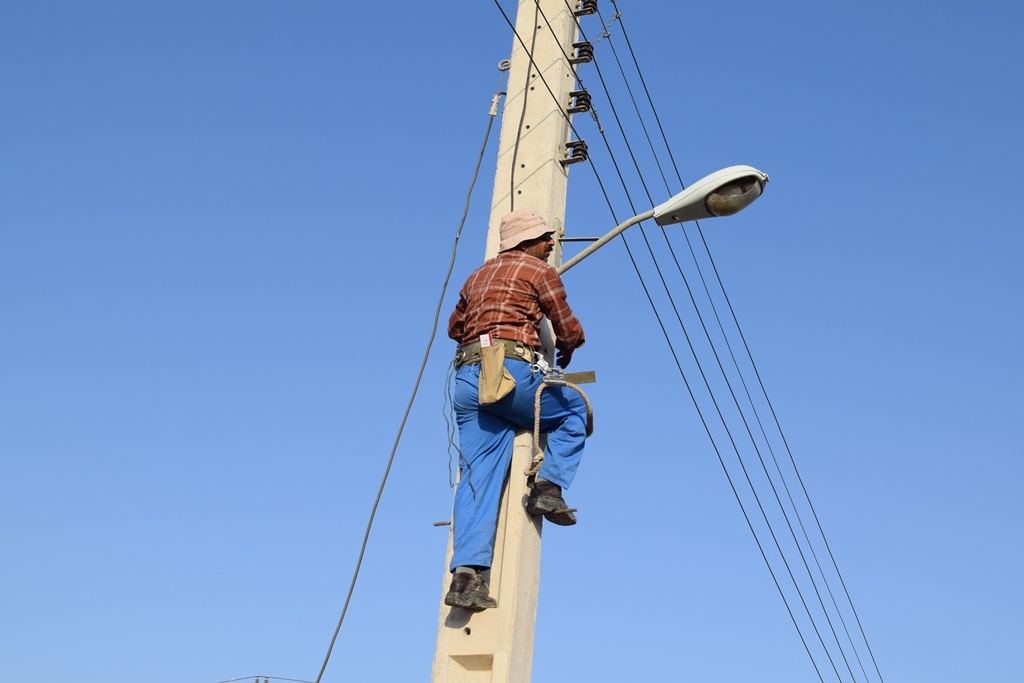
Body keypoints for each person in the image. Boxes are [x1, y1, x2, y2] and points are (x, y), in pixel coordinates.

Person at [443, 208, 589, 611]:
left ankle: (467, 577)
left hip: (469, 379)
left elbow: (455, 329)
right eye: (547, 238)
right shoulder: (540, 272)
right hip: (510, 373)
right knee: (575, 409)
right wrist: (570, 345)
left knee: (478, 478)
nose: (551, 244)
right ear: (529, 241)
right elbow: (568, 327)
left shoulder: (476, 276)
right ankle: (547, 488)